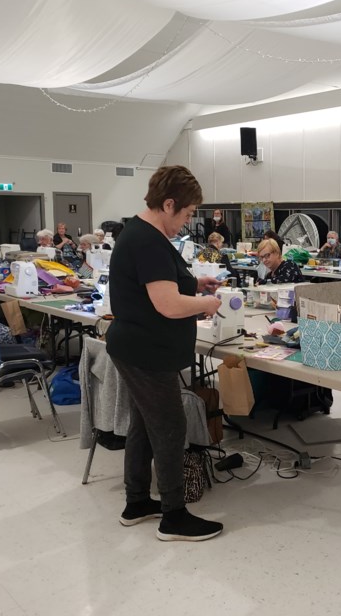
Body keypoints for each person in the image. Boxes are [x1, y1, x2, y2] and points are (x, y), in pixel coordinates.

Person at [105, 165, 225, 542]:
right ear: (169, 203)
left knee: (144, 424)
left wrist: (193, 282)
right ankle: (173, 515)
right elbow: (168, 305)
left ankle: (137, 501)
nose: (188, 221)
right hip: (147, 351)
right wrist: (204, 302)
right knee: (170, 427)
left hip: (137, 346)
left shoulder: (142, 234)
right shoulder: (148, 240)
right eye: (187, 213)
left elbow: (162, 284)